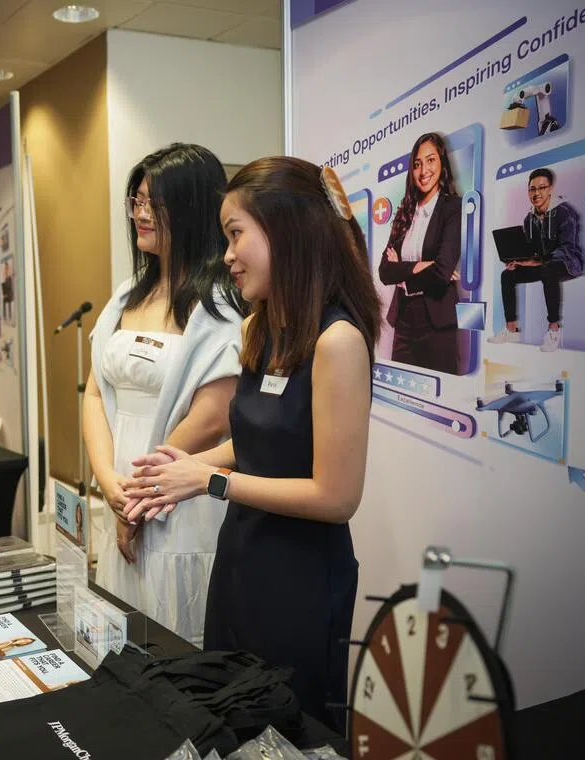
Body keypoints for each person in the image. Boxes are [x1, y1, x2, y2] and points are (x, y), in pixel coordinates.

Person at [122, 157, 380, 730]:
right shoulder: (260, 327)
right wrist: (179, 468)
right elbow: (255, 437)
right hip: (241, 562)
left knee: (289, 731)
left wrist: (209, 482)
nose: (229, 256)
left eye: (237, 235)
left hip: (302, 580)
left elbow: (336, 497)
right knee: (227, 722)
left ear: (287, 231)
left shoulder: (338, 342)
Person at [83, 143, 243, 647]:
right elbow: (94, 394)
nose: (140, 214)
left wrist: (140, 499)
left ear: (193, 209)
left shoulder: (221, 303)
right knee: (120, 641)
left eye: (154, 203)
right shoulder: (128, 293)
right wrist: (111, 484)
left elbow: (213, 416)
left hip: (181, 500)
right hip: (124, 496)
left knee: (177, 644)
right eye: (137, 201)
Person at [377, 132, 462, 374]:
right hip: (404, 318)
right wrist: (420, 266)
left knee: (441, 396)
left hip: (436, 319)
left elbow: (442, 271)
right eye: (417, 164)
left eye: (431, 160)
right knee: (404, 398)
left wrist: (403, 271)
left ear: (442, 163)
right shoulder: (404, 213)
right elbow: (384, 271)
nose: (423, 170)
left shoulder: (452, 208)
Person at [488, 167, 584, 352]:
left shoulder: (565, 212)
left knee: (548, 270)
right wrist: (519, 260)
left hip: (567, 264)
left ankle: (554, 330)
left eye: (541, 188)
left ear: (550, 189)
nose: (536, 193)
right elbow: (532, 250)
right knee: (507, 275)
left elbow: (567, 248)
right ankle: (511, 329)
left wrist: (538, 261)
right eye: (532, 189)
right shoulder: (529, 219)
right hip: (543, 264)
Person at [1, 260, 14, 324]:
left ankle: (10, 317)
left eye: (7, 267)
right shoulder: (5, 277)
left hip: (9, 294)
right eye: (5, 268)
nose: (6, 269)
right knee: (3, 301)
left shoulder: (9, 277)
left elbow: (9, 287)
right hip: (6, 294)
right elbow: (3, 286)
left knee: (9, 304)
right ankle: (5, 317)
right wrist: (4, 294)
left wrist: (7, 294)